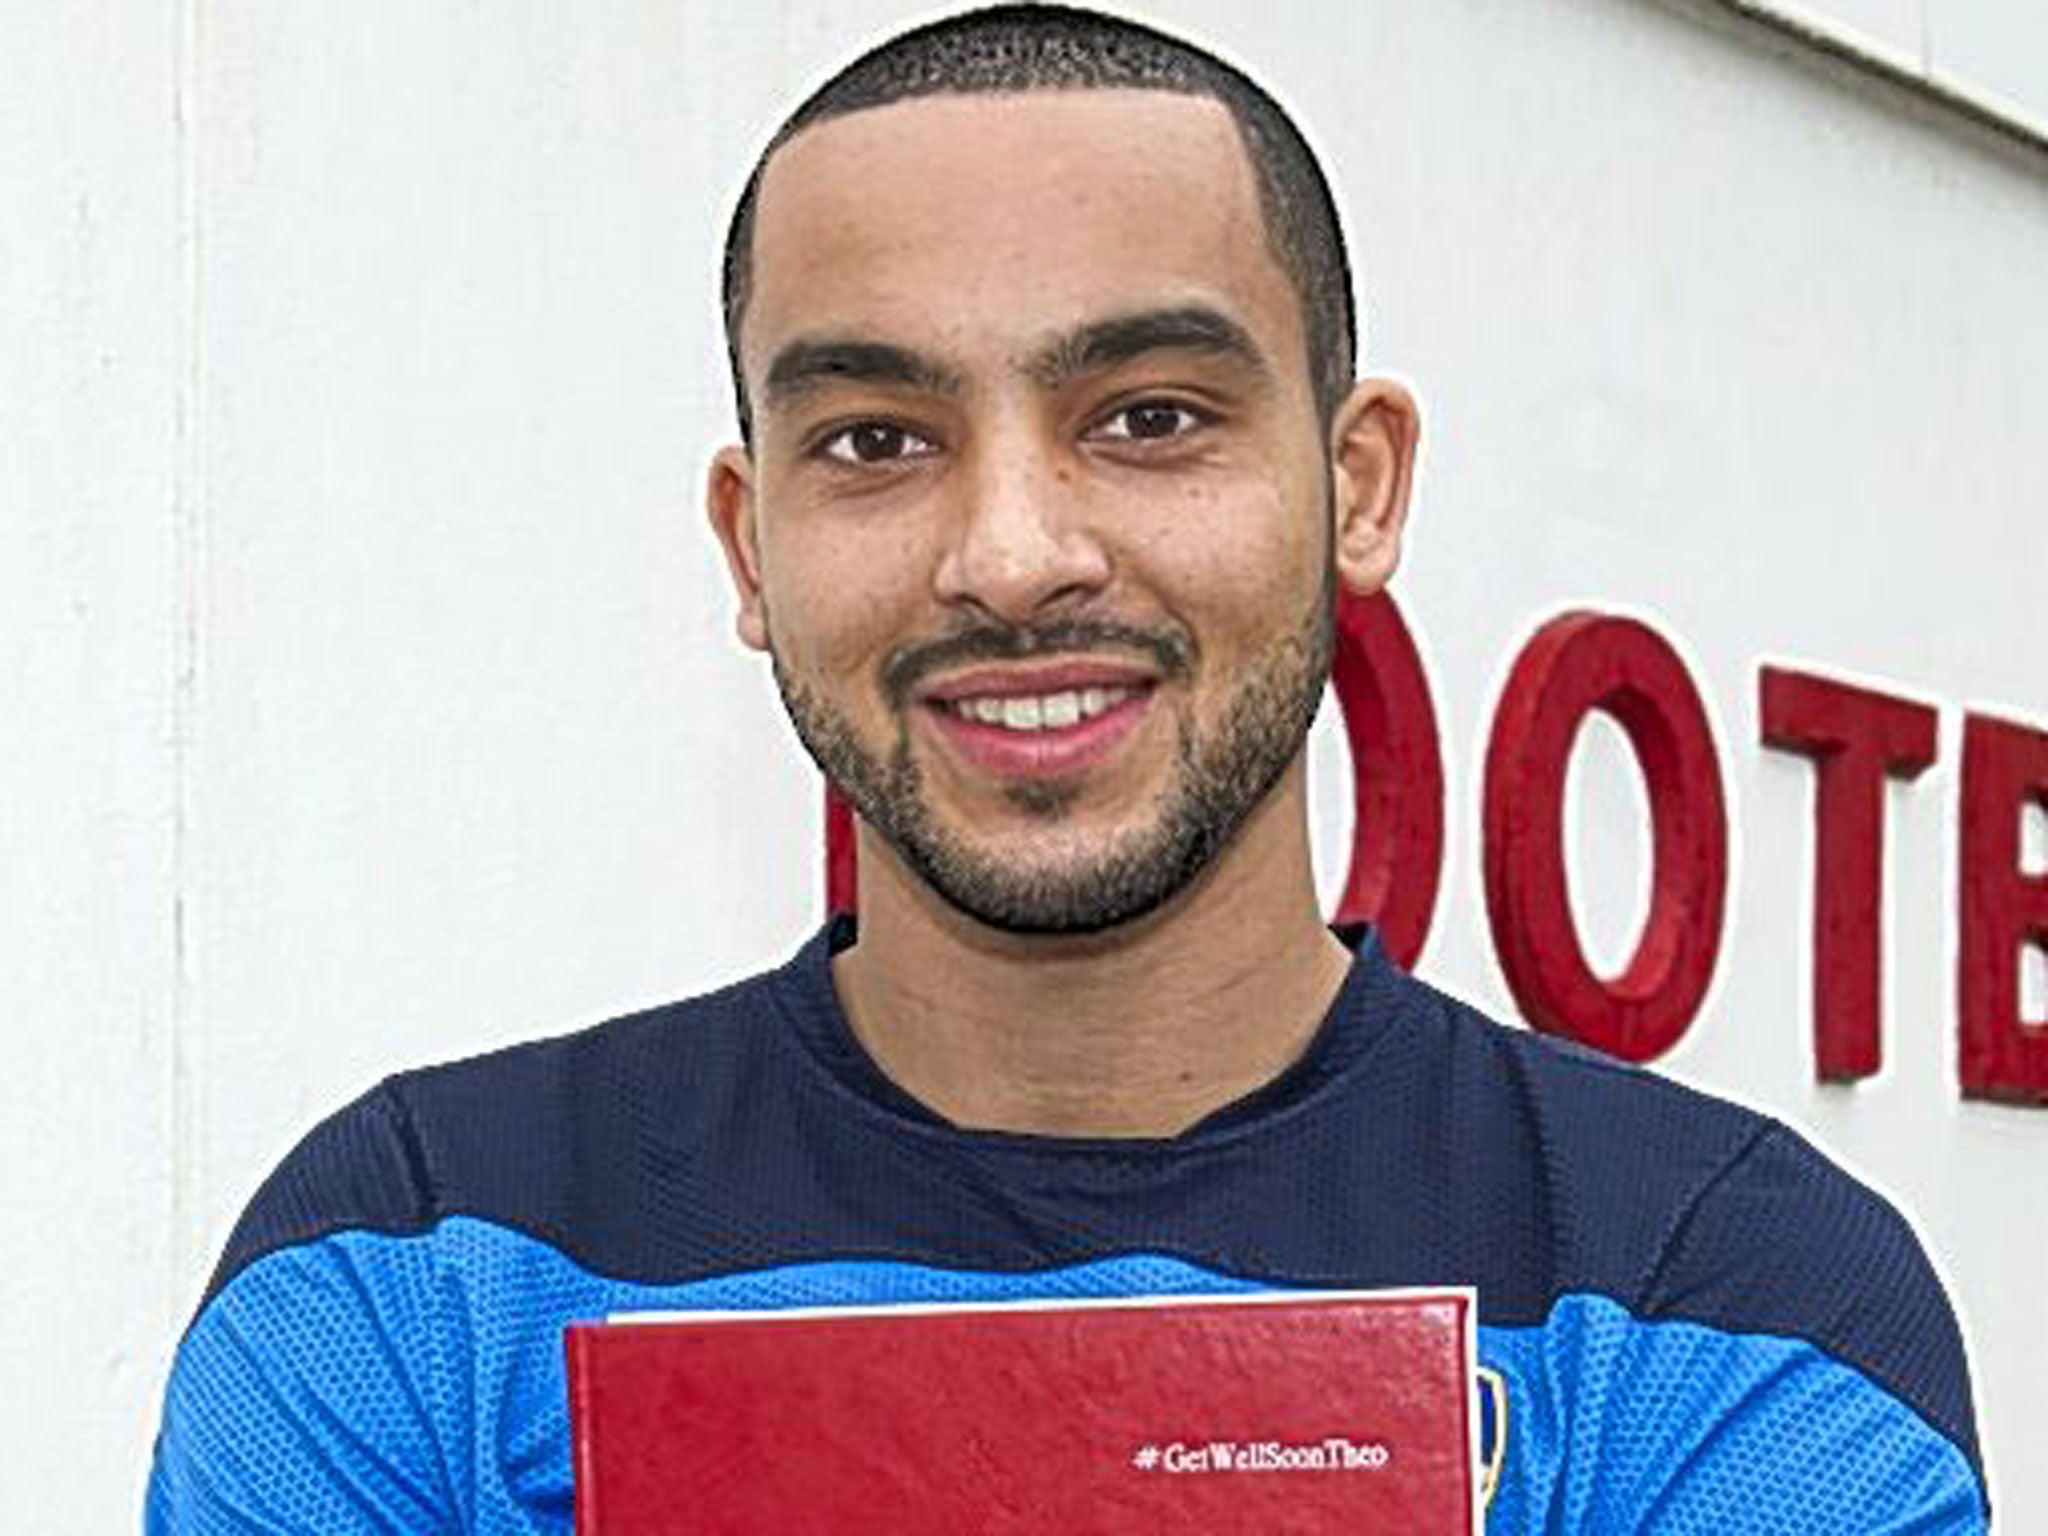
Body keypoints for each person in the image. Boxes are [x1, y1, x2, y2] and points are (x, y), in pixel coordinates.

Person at [147, 5, 1988, 1530]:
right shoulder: (409, 1280)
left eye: (1150, 418)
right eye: (877, 437)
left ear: (1358, 487)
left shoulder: (1731, 1310)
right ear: (747, 542)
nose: (1013, 553)